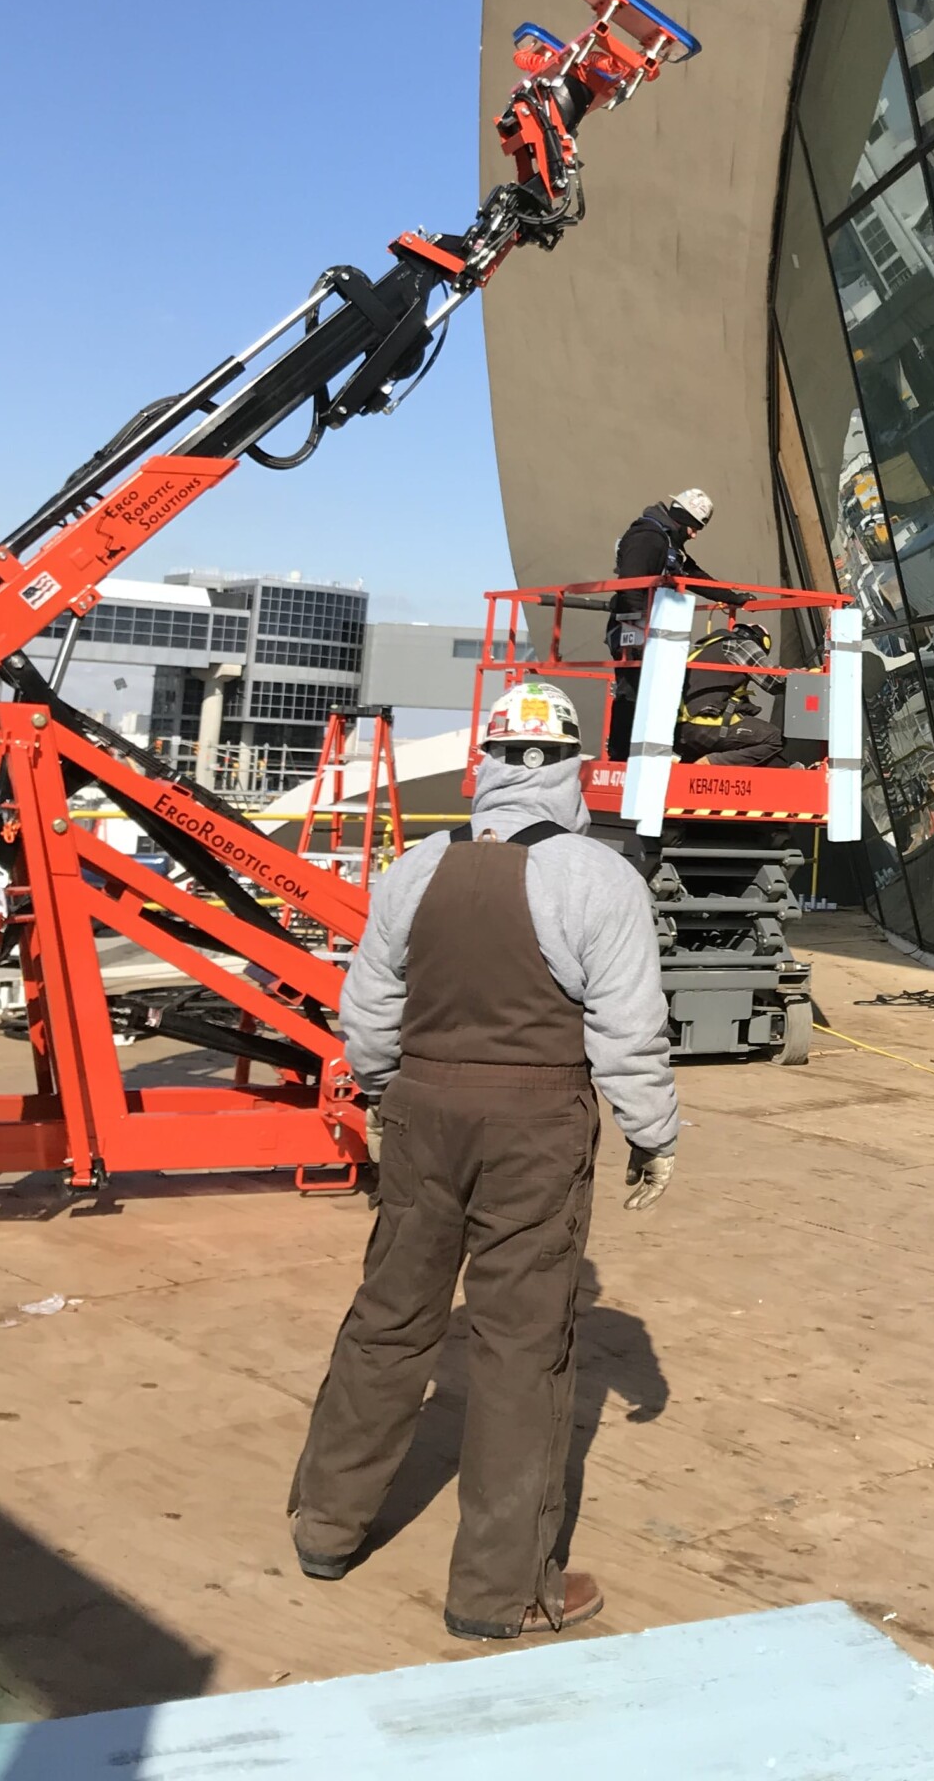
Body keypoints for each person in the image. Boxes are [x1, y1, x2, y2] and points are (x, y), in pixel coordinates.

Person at [287, 678, 677, 1643]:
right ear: (573, 767)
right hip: (535, 1126)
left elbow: (367, 1016)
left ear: (486, 764)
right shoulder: (600, 879)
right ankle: (498, 1591)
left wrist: (387, 1087)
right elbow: (629, 1032)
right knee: (519, 1349)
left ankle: (327, 1525)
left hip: (422, 1110)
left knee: (390, 1315)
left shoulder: (413, 870)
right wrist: (652, 1132)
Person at [606, 489, 742, 760]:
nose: (694, 534)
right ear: (682, 518)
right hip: (634, 627)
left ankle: (647, 751)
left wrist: (731, 596)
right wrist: (639, 629)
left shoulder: (668, 543)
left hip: (652, 627)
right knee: (632, 690)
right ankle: (622, 757)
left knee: (655, 688)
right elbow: (630, 585)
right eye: (694, 528)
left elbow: (693, 575)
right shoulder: (648, 538)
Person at [674, 620, 798, 766]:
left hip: (680, 731)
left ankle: (692, 767)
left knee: (771, 760)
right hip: (705, 726)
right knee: (773, 737)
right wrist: (803, 677)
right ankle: (710, 763)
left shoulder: (704, 649)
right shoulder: (741, 645)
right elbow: (775, 682)